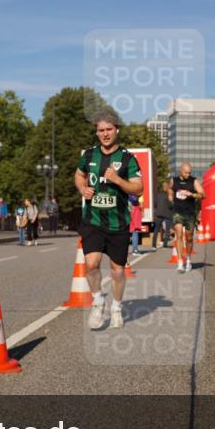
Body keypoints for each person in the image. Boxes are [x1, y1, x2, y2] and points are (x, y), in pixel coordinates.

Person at [75, 110, 143, 329]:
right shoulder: (88, 155)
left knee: (118, 270)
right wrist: (82, 188)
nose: (105, 134)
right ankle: (98, 300)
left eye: (109, 129)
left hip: (118, 223)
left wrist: (117, 179)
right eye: (101, 130)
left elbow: (139, 188)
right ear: (97, 132)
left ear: (117, 130)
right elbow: (79, 174)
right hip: (92, 220)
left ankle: (116, 307)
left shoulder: (127, 158)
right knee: (92, 264)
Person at [167, 162, 204, 273]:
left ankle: (188, 259)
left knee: (188, 238)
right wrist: (170, 194)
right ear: (180, 171)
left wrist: (192, 194)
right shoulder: (174, 180)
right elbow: (169, 188)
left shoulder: (194, 181)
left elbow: (202, 194)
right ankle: (179, 262)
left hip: (190, 213)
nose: (188, 174)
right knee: (179, 235)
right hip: (178, 212)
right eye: (186, 172)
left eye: (189, 172)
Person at [151, 181, 173, 249]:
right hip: (167, 214)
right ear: (167, 187)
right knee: (167, 230)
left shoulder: (157, 195)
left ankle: (154, 245)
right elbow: (170, 206)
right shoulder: (168, 195)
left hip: (159, 214)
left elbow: (154, 204)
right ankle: (165, 244)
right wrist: (171, 201)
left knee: (156, 229)